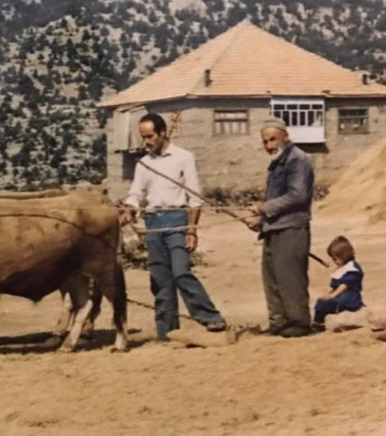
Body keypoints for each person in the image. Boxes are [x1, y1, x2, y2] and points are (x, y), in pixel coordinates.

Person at [120, 113, 227, 341]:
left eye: (150, 136)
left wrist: (191, 230)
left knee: (181, 272)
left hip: (177, 218)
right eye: (143, 137)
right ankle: (166, 330)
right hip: (153, 223)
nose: (146, 141)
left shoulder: (183, 158)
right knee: (160, 279)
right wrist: (129, 209)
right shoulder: (144, 163)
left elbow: (194, 197)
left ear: (162, 133)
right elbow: (136, 193)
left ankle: (210, 316)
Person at [246, 116, 315, 338]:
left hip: (292, 229)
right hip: (274, 228)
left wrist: (265, 208)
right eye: (265, 142)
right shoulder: (278, 162)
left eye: (273, 140)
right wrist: (261, 221)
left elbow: (297, 196)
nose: (269, 146)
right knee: (272, 278)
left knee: (291, 278)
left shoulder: (297, 160)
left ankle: (299, 324)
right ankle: (279, 323)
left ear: (286, 136)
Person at [313, 236, 365, 331]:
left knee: (323, 304)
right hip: (340, 294)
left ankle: (318, 325)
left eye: (336, 258)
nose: (335, 261)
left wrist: (333, 295)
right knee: (321, 301)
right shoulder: (343, 267)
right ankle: (318, 322)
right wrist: (329, 294)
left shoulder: (352, 269)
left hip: (349, 297)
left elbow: (344, 285)